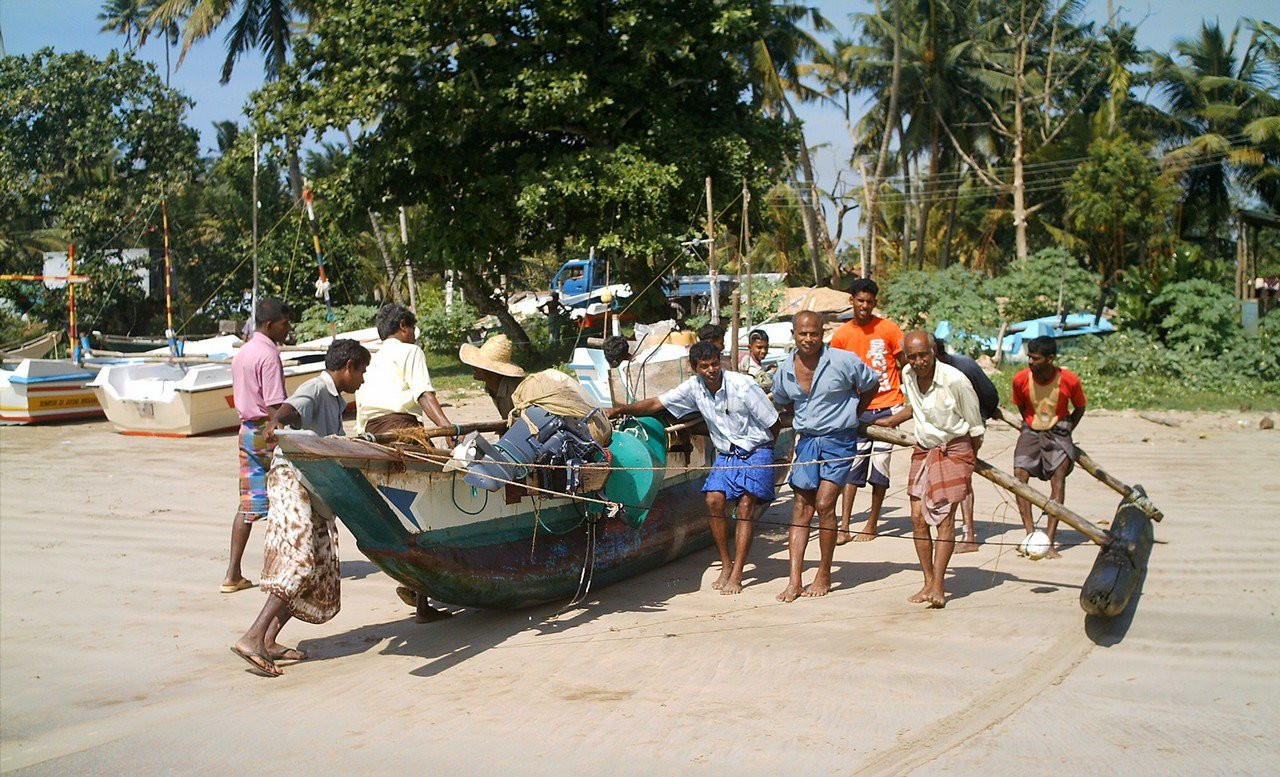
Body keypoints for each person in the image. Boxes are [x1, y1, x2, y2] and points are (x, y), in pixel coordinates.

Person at [230, 339, 371, 677]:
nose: (363, 380)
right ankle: (252, 637)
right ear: (348, 366)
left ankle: (269, 639)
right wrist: (277, 422)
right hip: (293, 481)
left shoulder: (336, 402)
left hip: (315, 490)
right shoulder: (317, 388)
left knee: (319, 564)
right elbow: (291, 409)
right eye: (362, 372)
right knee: (299, 559)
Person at [606, 341, 779, 594]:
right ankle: (726, 563)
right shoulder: (694, 387)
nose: (711, 370)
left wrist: (763, 457)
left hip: (756, 450)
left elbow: (773, 424)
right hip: (726, 454)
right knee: (713, 501)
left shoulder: (744, 386)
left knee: (745, 505)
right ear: (695, 369)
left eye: (715, 364)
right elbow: (657, 404)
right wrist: (618, 410)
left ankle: (738, 572)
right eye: (704, 366)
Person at [771, 311, 879, 602]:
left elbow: (871, 385)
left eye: (814, 334)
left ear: (823, 333)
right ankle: (794, 581)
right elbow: (783, 403)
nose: (809, 339)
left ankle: (824, 572)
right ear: (794, 335)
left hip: (840, 441)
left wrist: (854, 414)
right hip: (807, 443)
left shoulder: (844, 361)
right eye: (803, 334)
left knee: (824, 504)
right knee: (801, 509)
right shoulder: (784, 370)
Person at [876, 331, 985, 608]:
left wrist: (967, 461)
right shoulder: (908, 375)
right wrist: (892, 421)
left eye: (923, 354)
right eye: (912, 357)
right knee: (917, 518)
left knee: (945, 520)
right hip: (924, 449)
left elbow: (975, 427)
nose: (918, 361)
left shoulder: (956, 381)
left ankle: (939, 585)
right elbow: (916, 407)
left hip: (954, 448)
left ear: (933, 350)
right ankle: (927, 581)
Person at [829, 277, 905, 545]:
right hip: (857, 409)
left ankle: (872, 523)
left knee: (880, 466)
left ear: (875, 303)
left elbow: (904, 362)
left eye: (869, 302)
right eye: (860, 300)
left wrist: (906, 400)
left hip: (889, 406)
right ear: (852, 301)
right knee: (853, 466)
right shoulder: (841, 336)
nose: (864, 306)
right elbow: (833, 372)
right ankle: (845, 526)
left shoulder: (889, 329)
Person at [223, 298, 291, 594]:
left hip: (247, 431)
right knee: (285, 497)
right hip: (267, 430)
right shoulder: (269, 354)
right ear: (269, 325)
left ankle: (232, 573)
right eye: (284, 324)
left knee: (249, 502)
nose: (287, 330)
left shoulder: (243, 352)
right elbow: (275, 403)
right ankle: (284, 567)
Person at [1011, 336, 1086, 559]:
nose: (1030, 362)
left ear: (1050, 359)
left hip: (1059, 428)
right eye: (1029, 357)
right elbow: (1022, 406)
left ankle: (1050, 541)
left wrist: (1067, 428)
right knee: (1019, 474)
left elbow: (1080, 407)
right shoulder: (1021, 379)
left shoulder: (1069, 380)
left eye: (1036, 358)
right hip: (1031, 428)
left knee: (1058, 479)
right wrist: (1031, 427)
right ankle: (1030, 534)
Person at [354, 303, 455, 446]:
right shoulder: (410, 350)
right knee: (444, 464)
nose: (414, 336)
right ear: (403, 326)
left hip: (372, 434)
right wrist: (448, 430)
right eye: (413, 329)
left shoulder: (371, 361)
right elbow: (424, 395)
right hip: (402, 429)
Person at [935, 338, 1000, 553]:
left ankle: (969, 534)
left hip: (969, 425)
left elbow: (989, 394)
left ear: (939, 355)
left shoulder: (963, 367)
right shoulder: (930, 371)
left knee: (962, 477)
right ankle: (951, 530)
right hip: (944, 427)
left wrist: (984, 417)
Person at [459, 334, 526, 419]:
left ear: (491, 371)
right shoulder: (492, 386)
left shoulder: (515, 390)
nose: (473, 367)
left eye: (478, 365)